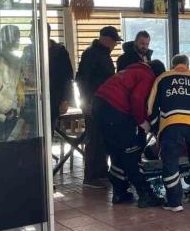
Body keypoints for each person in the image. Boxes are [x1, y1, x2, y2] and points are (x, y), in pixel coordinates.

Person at [92, 60, 164, 208]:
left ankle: (119, 192)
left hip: (99, 105)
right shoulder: (147, 76)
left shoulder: (132, 70)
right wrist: (142, 121)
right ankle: (145, 194)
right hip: (115, 109)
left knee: (118, 152)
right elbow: (137, 98)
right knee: (130, 151)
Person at [147, 54, 190, 211]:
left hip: (172, 123)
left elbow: (151, 106)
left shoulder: (163, 78)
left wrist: (155, 127)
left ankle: (174, 202)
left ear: (172, 66)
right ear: (187, 65)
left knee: (170, 162)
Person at [76, 26, 122, 186]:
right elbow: (83, 80)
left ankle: (101, 172)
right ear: (106, 39)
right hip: (93, 103)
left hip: (102, 103)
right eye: (114, 41)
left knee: (102, 138)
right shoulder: (92, 54)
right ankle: (91, 176)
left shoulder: (101, 54)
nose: (115, 45)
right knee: (94, 139)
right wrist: (86, 102)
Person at [21, 23, 74, 130]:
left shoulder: (59, 51)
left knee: (48, 130)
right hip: (32, 99)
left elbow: (68, 78)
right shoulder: (28, 50)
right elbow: (22, 72)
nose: (30, 36)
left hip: (53, 99)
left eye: (32, 33)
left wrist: (66, 100)